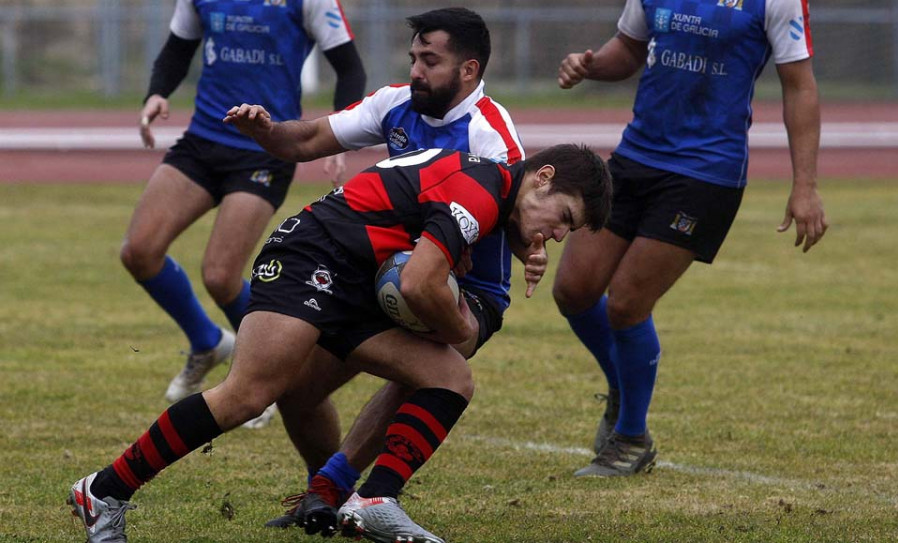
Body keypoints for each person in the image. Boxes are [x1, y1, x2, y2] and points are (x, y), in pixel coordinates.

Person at [67, 144, 614, 543]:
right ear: (541, 178)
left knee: (450, 376)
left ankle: (376, 500)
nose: (558, 235)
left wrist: (515, 254)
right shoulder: (479, 190)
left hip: (357, 282)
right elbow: (422, 282)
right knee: (249, 394)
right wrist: (461, 328)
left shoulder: (492, 191)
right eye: (563, 218)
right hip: (314, 255)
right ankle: (105, 490)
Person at [224, 7, 528, 532]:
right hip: (390, 270)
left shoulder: (491, 136)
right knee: (296, 390)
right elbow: (304, 141)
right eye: (413, 57)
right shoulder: (395, 104)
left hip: (463, 291)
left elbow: (522, 211)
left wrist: (532, 247)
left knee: (430, 370)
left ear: (469, 71)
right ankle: (325, 497)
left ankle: (339, 494)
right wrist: (267, 132)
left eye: (430, 61)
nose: (415, 70)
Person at [554, 0, 828, 477]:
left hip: (705, 172)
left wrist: (805, 185)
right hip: (636, 156)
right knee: (574, 289)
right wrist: (592, 65)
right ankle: (623, 383)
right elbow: (630, 49)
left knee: (626, 302)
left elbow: (799, 88)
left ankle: (631, 439)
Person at [124, 0, 365, 418]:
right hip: (202, 142)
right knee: (139, 251)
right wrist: (156, 94)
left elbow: (350, 68)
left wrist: (340, 138)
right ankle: (207, 342)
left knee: (220, 275)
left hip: (265, 150)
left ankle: (271, 378)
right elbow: (178, 48)